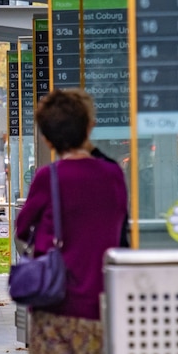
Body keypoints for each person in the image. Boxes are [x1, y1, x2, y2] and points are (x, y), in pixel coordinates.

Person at [15, 89, 127, 354]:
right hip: (106, 305)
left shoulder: (49, 178)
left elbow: (22, 231)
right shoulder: (112, 175)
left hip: (58, 307)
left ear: (47, 138)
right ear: (90, 129)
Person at [67, 87, 130, 247]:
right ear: (91, 126)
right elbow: (121, 218)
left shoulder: (50, 176)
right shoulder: (111, 170)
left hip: (66, 266)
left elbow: (24, 227)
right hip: (104, 261)